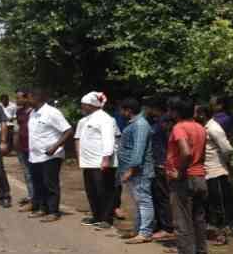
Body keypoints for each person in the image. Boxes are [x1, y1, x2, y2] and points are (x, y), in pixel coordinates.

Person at [166, 96, 209, 254]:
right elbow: (201, 154)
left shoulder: (179, 128)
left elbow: (186, 152)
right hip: (200, 177)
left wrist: (180, 172)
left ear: (175, 112)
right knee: (198, 221)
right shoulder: (200, 128)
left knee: (182, 222)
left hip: (185, 179)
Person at [27, 88, 72, 222]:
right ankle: (42, 208)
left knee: (50, 184)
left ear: (37, 98)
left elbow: (68, 130)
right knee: (38, 183)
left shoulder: (52, 112)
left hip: (51, 155)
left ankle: (53, 211)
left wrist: (55, 146)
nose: (27, 100)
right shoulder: (32, 113)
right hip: (35, 155)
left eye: (28, 97)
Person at [74, 92, 118, 228]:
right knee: (91, 190)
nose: (82, 107)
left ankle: (106, 218)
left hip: (101, 162)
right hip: (88, 162)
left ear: (90, 105)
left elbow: (108, 140)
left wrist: (105, 159)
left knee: (104, 190)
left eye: (84, 105)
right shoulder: (84, 120)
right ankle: (96, 215)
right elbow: (78, 138)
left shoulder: (105, 119)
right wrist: (79, 156)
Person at [116, 97, 156, 242]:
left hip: (140, 171)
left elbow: (138, 149)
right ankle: (139, 230)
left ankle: (145, 232)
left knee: (144, 201)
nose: (120, 113)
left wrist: (131, 170)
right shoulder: (136, 124)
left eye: (122, 110)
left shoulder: (140, 125)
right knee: (139, 201)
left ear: (129, 110)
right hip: (135, 170)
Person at [201, 103, 233, 236]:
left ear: (202, 114)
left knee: (221, 200)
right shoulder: (206, 127)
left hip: (216, 170)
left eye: (196, 113)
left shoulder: (213, 128)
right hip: (209, 170)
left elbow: (227, 149)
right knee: (215, 200)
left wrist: (226, 162)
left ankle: (227, 226)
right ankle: (219, 226)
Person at [144, 96, 174, 240]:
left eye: (148, 108)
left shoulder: (164, 122)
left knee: (163, 196)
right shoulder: (159, 121)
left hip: (162, 163)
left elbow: (170, 142)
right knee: (158, 195)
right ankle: (161, 224)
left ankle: (167, 227)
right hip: (158, 162)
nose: (147, 111)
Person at [13, 89, 35, 207]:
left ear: (26, 98)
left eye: (19, 98)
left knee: (34, 173)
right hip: (22, 147)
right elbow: (18, 128)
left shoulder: (35, 112)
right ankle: (31, 196)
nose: (17, 100)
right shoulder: (19, 112)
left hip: (33, 148)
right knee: (27, 173)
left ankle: (36, 198)